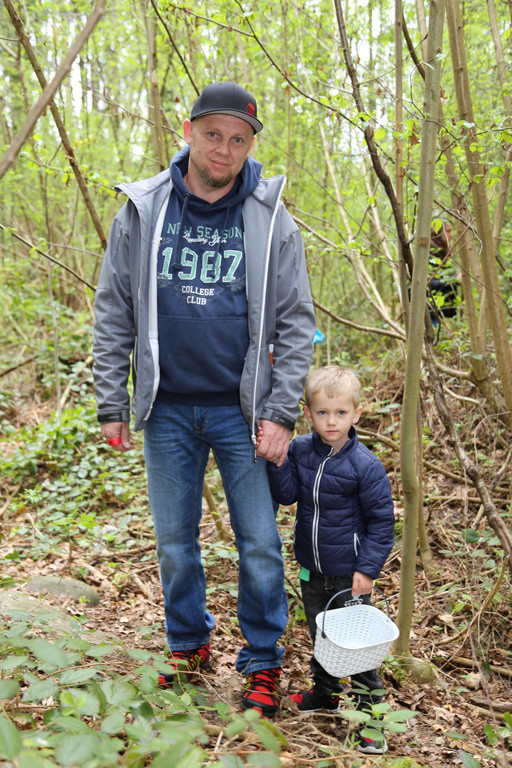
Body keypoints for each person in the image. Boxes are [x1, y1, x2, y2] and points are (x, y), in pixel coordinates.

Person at [92, 81, 316, 717]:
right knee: (174, 542)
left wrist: (280, 412)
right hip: (166, 408)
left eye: (238, 139)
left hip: (243, 412)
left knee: (260, 543)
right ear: (188, 131)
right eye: (213, 134)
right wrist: (112, 400)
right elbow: (114, 309)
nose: (224, 149)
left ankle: (263, 661)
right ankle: (189, 647)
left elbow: (296, 321)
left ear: (250, 147)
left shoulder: (271, 219)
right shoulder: (144, 211)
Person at [266, 366, 395, 752]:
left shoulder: (366, 466)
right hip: (312, 568)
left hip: (349, 574)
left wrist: (367, 569)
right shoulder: (301, 449)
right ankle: (325, 693)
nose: (331, 421)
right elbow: (288, 495)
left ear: (356, 413)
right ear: (308, 413)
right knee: (322, 637)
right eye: (322, 412)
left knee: (355, 648)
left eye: (340, 412)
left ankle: (372, 718)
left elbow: (381, 523)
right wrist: (279, 462)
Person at [428, 219, 459, 324]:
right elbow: (427, 283)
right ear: (437, 233)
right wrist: (454, 280)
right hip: (432, 316)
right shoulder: (429, 255)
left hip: (444, 315)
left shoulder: (443, 254)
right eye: (448, 231)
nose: (452, 235)